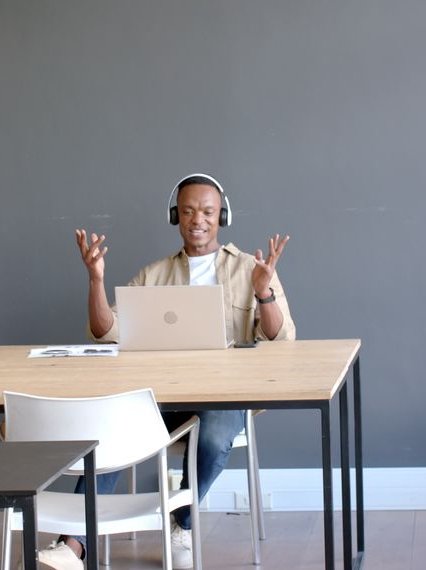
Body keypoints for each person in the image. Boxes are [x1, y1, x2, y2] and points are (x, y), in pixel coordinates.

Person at [37, 173, 295, 570]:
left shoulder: (251, 269)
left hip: (224, 399)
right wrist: (96, 280)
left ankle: (183, 521)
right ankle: (72, 545)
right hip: (159, 400)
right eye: (189, 211)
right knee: (108, 426)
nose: (198, 220)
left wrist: (263, 292)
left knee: (216, 434)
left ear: (221, 216)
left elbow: (279, 339)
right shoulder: (154, 274)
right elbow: (106, 332)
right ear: (176, 215)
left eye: (208, 212)